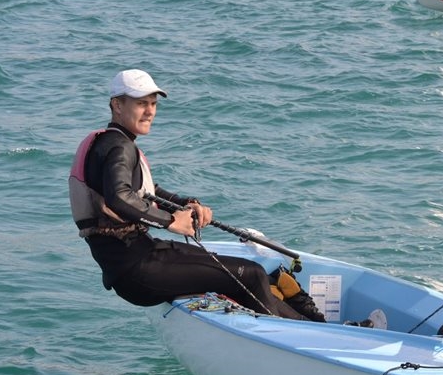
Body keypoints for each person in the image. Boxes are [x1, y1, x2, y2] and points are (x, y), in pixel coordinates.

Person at [69, 69, 324, 322]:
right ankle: (286, 335)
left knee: (247, 274)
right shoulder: (118, 146)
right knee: (252, 274)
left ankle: (313, 325)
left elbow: (146, 192)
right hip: (137, 269)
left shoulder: (109, 143)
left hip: (139, 258)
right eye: (141, 104)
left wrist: (185, 204)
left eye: (153, 104)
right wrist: (171, 221)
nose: (150, 111)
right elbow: (119, 197)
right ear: (117, 105)